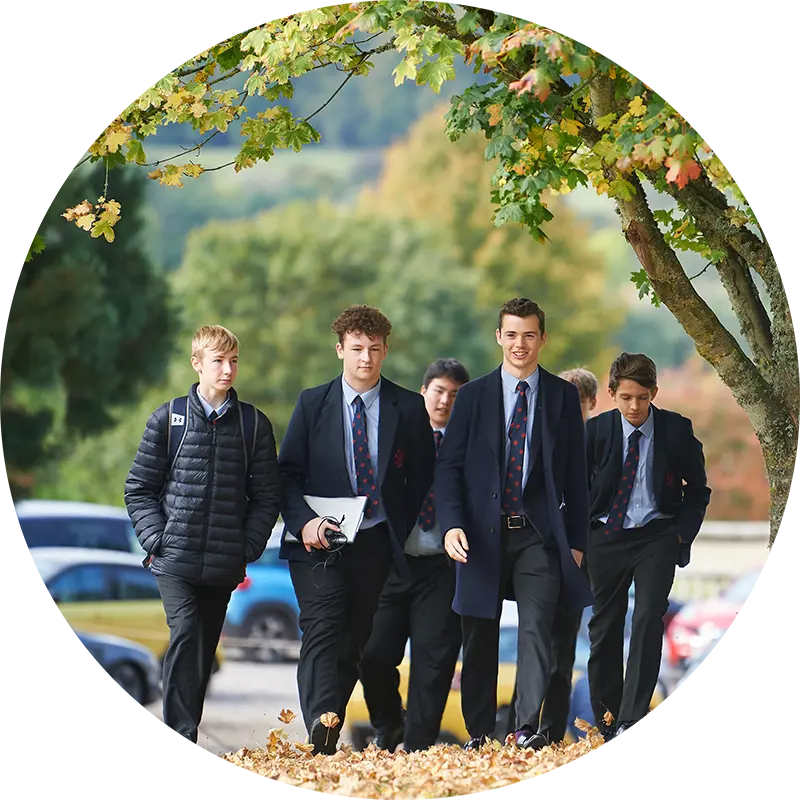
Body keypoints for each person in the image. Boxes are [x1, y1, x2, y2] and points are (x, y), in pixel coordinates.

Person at [125, 325, 281, 800]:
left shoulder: (254, 425)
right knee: (187, 632)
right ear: (198, 363)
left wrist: (246, 547)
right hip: (173, 561)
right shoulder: (168, 419)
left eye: (234, 361)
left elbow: (267, 496)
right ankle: (179, 743)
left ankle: (183, 738)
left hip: (222, 565)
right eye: (218, 361)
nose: (228, 369)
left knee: (199, 651)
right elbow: (139, 489)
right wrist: (158, 539)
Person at [436, 298, 593, 751]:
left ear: (542, 338)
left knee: (537, 630)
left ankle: (525, 728)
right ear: (498, 337)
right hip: (480, 534)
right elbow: (448, 468)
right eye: (511, 334)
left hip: (539, 536)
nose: (519, 344)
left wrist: (576, 545)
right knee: (479, 633)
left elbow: (575, 481)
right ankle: (482, 733)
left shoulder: (562, 398)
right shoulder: (473, 397)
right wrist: (451, 526)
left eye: (529, 334)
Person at [278, 305, 435, 755]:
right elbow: (285, 473)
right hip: (317, 538)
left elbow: (423, 474)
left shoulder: (408, 407)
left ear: (385, 351)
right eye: (356, 349)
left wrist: (398, 519)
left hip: (374, 541)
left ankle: (325, 723)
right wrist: (305, 522)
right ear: (340, 350)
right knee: (323, 625)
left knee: (353, 638)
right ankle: (322, 725)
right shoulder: (313, 403)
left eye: (374, 349)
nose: (365, 358)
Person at [585, 353, 710, 743]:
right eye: (625, 398)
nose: (634, 407)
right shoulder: (596, 432)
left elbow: (698, 490)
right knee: (604, 627)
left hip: (656, 535)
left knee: (646, 620)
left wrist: (678, 537)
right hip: (606, 535)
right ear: (611, 394)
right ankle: (607, 717)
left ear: (654, 392)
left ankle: (631, 719)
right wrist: (580, 542)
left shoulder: (675, 430)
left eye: (641, 397)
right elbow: (572, 490)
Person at [360, 358, 470, 753]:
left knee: (433, 664)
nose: (444, 401)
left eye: (454, 395)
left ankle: (418, 746)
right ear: (424, 392)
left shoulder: (468, 445)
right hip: (394, 562)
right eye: (438, 391)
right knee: (372, 653)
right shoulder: (398, 434)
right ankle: (388, 723)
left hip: (442, 567)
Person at [506, 367, 599, 743]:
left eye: (576, 402)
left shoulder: (596, 442)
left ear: (591, 403)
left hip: (579, 559)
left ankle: (550, 731)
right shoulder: (543, 440)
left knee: (562, 652)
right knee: (533, 642)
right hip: (542, 552)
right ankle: (520, 727)